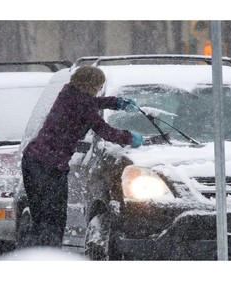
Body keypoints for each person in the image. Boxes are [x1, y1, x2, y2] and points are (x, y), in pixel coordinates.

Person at [20, 65, 143, 248]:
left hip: (33, 162)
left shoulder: (69, 92)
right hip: (49, 168)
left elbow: (90, 102)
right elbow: (105, 131)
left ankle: (36, 255)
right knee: (54, 220)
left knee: (42, 219)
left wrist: (116, 103)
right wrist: (129, 138)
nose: (99, 90)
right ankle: (48, 259)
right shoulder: (83, 106)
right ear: (91, 85)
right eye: (98, 86)